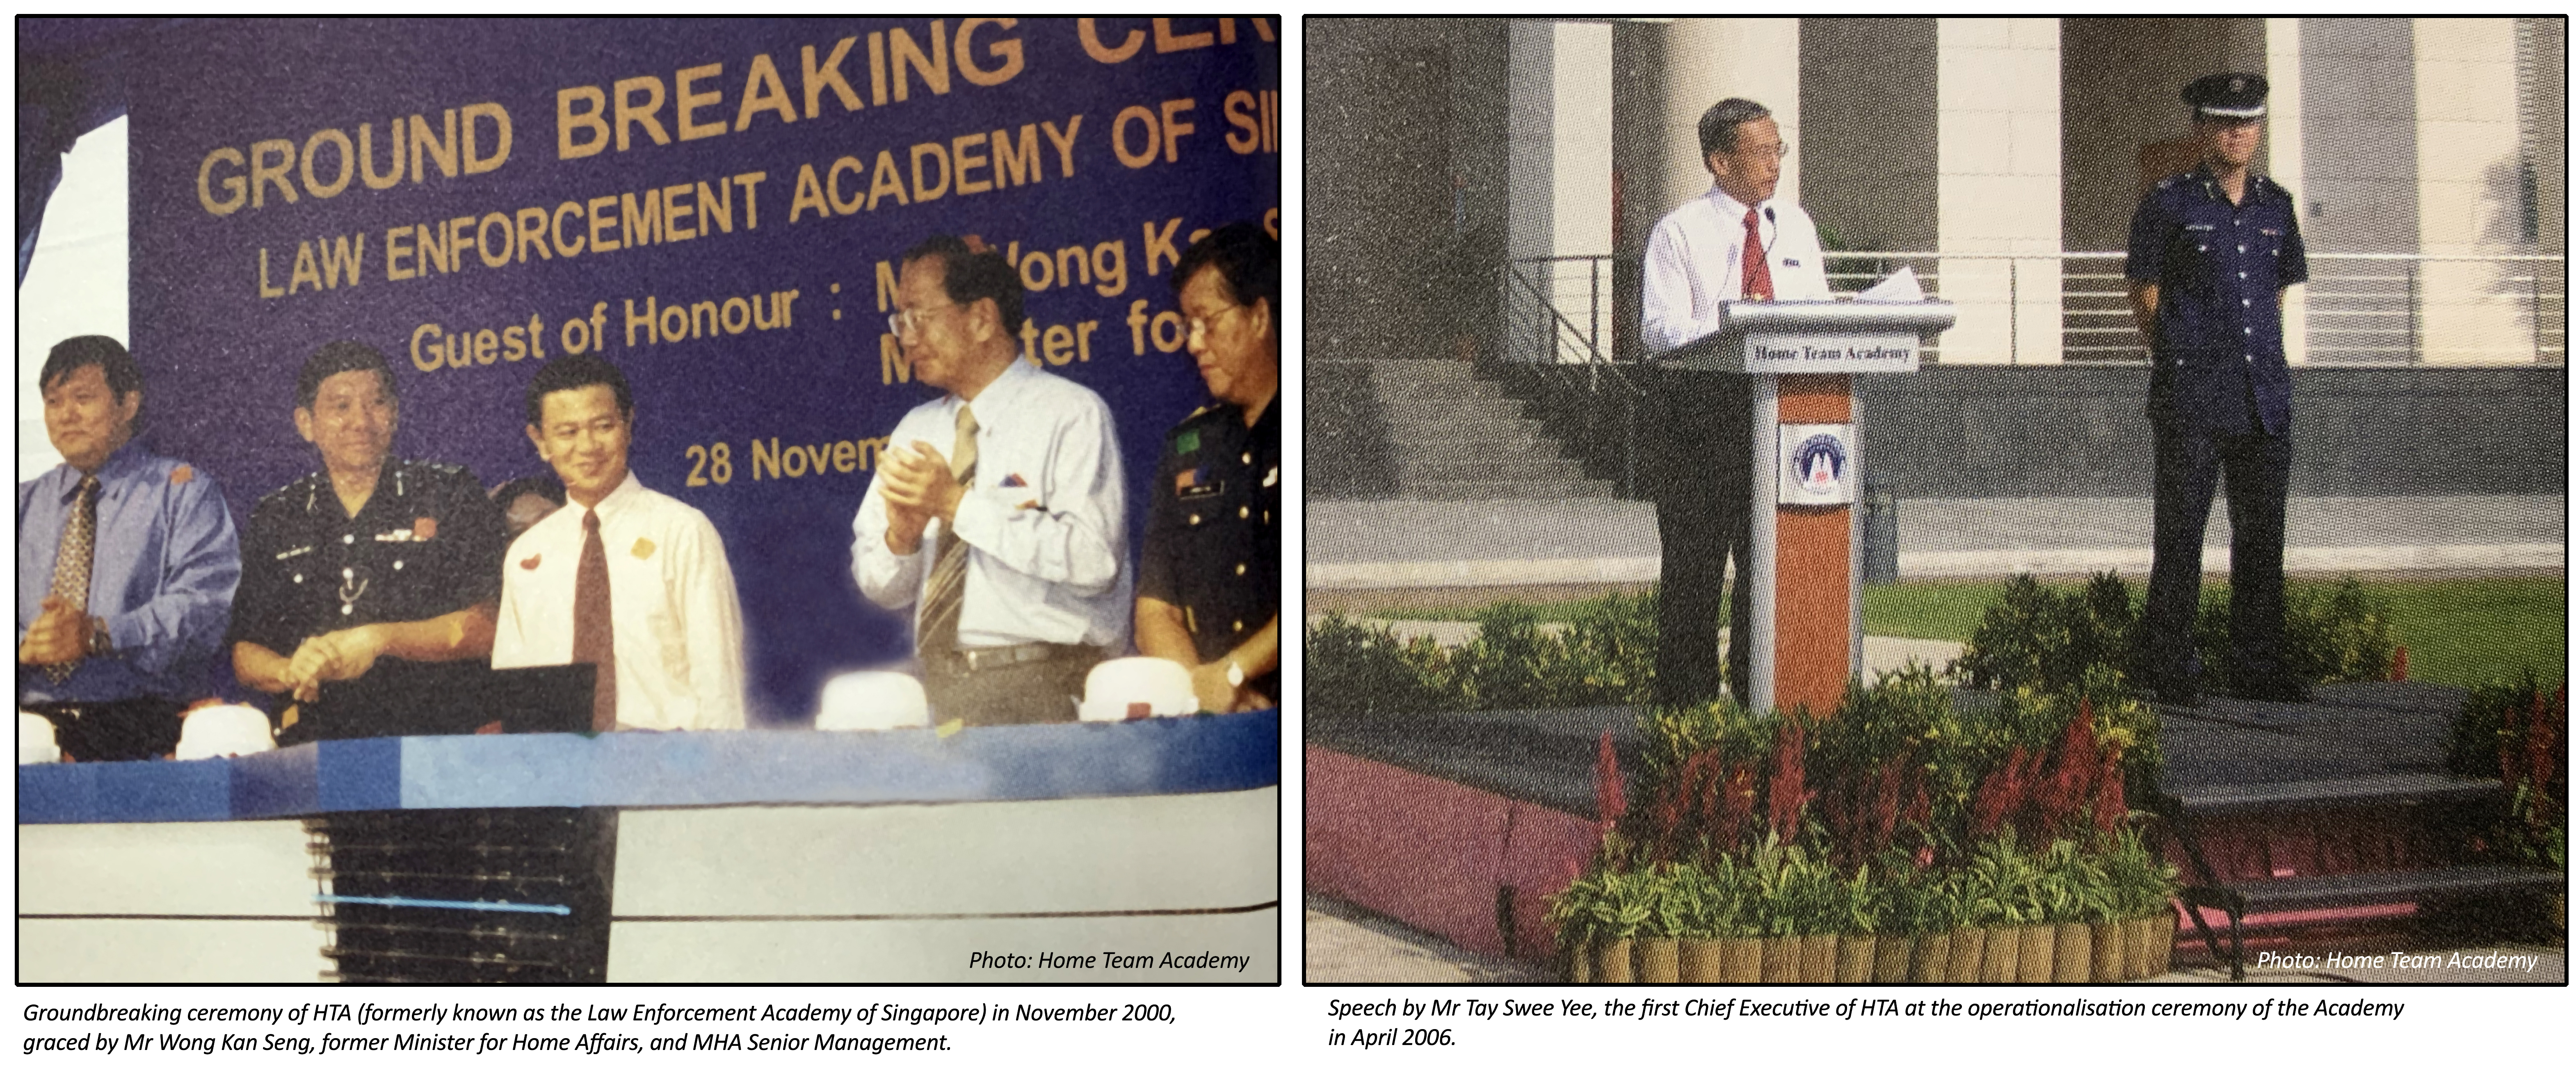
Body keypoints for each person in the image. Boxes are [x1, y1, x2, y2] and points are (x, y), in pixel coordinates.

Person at [852, 234, 1129, 726]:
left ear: (981, 319)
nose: (906, 337)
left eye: (920, 317)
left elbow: (1095, 561)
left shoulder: (1069, 414)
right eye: (901, 320)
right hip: (941, 690)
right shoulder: (916, 430)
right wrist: (903, 537)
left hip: (1044, 686)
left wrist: (957, 505)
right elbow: (879, 585)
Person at [1638, 98, 1829, 708]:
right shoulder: (1679, 232)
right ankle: (1686, 720)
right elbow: (1659, 328)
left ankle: (1761, 706)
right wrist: (1730, 330)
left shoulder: (1792, 227)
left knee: (1766, 576)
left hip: (1781, 415)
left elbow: (1818, 314)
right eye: (1763, 151)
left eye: (1780, 149)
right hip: (1701, 418)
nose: (1776, 163)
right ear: (1720, 161)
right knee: (1693, 580)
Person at [2126, 73, 2310, 706]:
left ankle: (2258, 663)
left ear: (2258, 131)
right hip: (2194, 400)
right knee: (2180, 537)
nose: (2237, 132)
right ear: (2201, 129)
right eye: (2224, 121)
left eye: (2248, 121)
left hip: (2263, 398)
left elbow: (2277, 293)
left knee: (2262, 537)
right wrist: (2183, 359)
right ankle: (2169, 664)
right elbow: (2144, 294)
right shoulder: (2169, 203)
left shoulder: (2276, 205)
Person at [228, 342, 512, 741]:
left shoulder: (448, 493)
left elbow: (489, 625)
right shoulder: (277, 514)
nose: (361, 421)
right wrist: (292, 670)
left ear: (394, 414)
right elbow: (245, 652)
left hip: (437, 742)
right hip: (317, 745)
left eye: (376, 403)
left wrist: (379, 639)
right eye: (341, 406)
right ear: (306, 422)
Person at [491, 355, 747, 730]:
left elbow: (719, 681)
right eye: (567, 432)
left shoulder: (682, 532)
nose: (588, 445)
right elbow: (514, 692)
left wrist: (719, 778)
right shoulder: (526, 555)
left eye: (603, 426)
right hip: (562, 771)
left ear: (628, 424)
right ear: (541, 441)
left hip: (669, 767)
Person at [16, 336, 242, 761]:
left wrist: (99, 634)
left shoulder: (183, 491)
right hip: (25, 730)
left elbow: (205, 609)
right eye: (52, 401)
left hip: (143, 729)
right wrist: (24, 647)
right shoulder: (19, 506)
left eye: (83, 398)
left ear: (129, 404)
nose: (66, 415)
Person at [1137, 222, 1281, 712]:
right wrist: (1207, 690)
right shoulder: (1187, 447)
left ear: (1259, 316)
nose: (1193, 343)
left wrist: (1235, 671)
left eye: (1207, 322)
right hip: (1214, 718)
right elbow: (1155, 610)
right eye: (1186, 326)